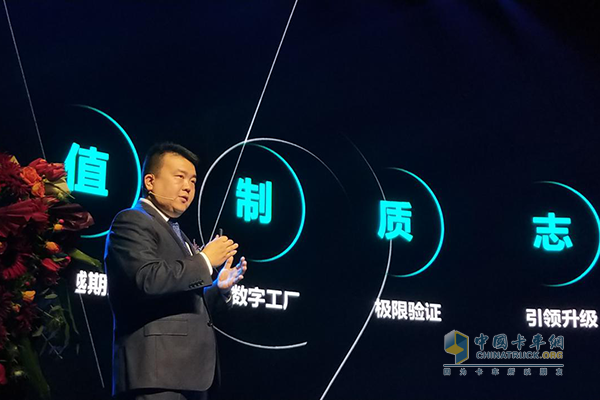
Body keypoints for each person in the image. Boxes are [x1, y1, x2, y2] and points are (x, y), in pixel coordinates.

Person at [104, 142, 247, 400]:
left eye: (193, 180)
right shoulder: (132, 220)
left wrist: (218, 289)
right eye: (179, 176)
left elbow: (183, 300)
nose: (188, 187)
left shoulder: (176, 231)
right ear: (150, 181)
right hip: (155, 374)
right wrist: (205, 260)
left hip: (190, 375)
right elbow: (146, 279)